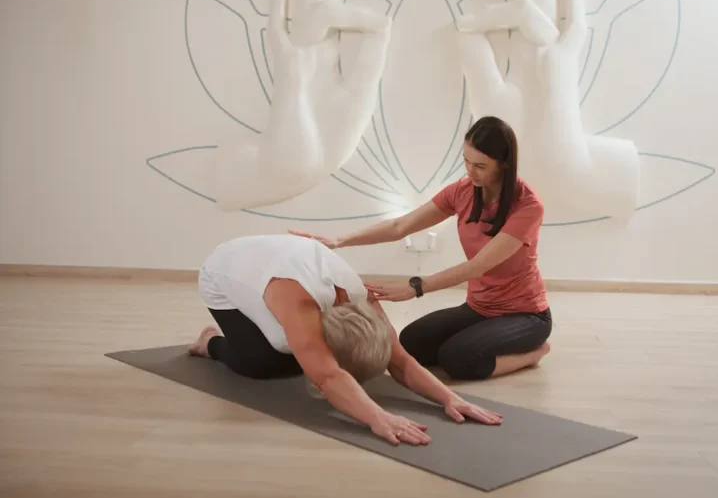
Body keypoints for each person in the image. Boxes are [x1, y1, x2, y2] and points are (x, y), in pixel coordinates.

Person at [289, 115, 552, 381]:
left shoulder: (528, 206)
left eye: (481, 166)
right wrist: (337, 241)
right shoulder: (463, 191)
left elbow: (479, 266)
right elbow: (399, 226)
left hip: (525, 315)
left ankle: (534, 353)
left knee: (458, 359)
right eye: (466, 162)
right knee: (411, 342)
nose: (470, 172)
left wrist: (416, 287)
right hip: (479, 308)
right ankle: (479, 341)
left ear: (505, 164)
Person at [189, 233, 503, 446]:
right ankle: (210, 341)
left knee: (298, 353)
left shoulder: (361, 297)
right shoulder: (297, 303)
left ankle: (301, 347)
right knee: (266, 362)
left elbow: (401, 359)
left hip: (276, 263)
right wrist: (377, 418)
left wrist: (450, 398)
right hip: (225, 272)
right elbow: (327, 377)